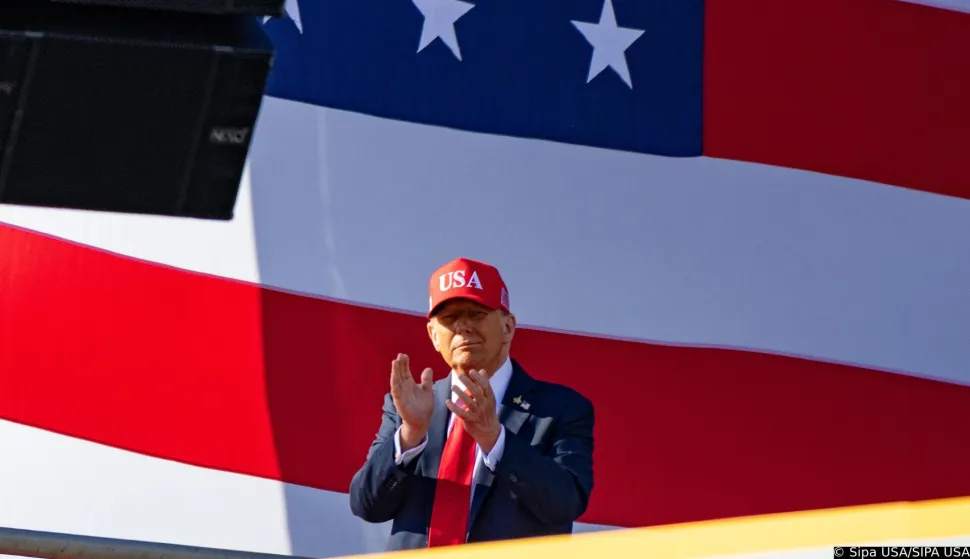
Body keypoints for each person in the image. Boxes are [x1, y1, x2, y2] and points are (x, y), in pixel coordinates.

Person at [349, 257, 595, 550]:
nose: (463, 327)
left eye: (476, 314)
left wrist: (495, 439)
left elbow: (565, 503)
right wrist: (411, 434)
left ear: (507, 327)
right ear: (433, 335)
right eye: (450, 318)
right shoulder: (407, 407)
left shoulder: (561, 409)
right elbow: (367, 505)